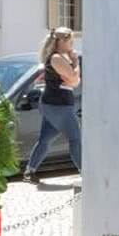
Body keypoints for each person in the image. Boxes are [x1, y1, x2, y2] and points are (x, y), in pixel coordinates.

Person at [22, 27, 82, 183]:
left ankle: (30, 171)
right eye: (70, 41)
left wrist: (72, 76)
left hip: (53, 105)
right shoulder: (56, 58)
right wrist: (75, 62)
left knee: (45, 139)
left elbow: (73, 80)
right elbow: (75, 79)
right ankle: (85, 172)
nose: (72, 44)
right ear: (61, 42)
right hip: (59, 106)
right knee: (75, 138)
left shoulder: (58, 58)